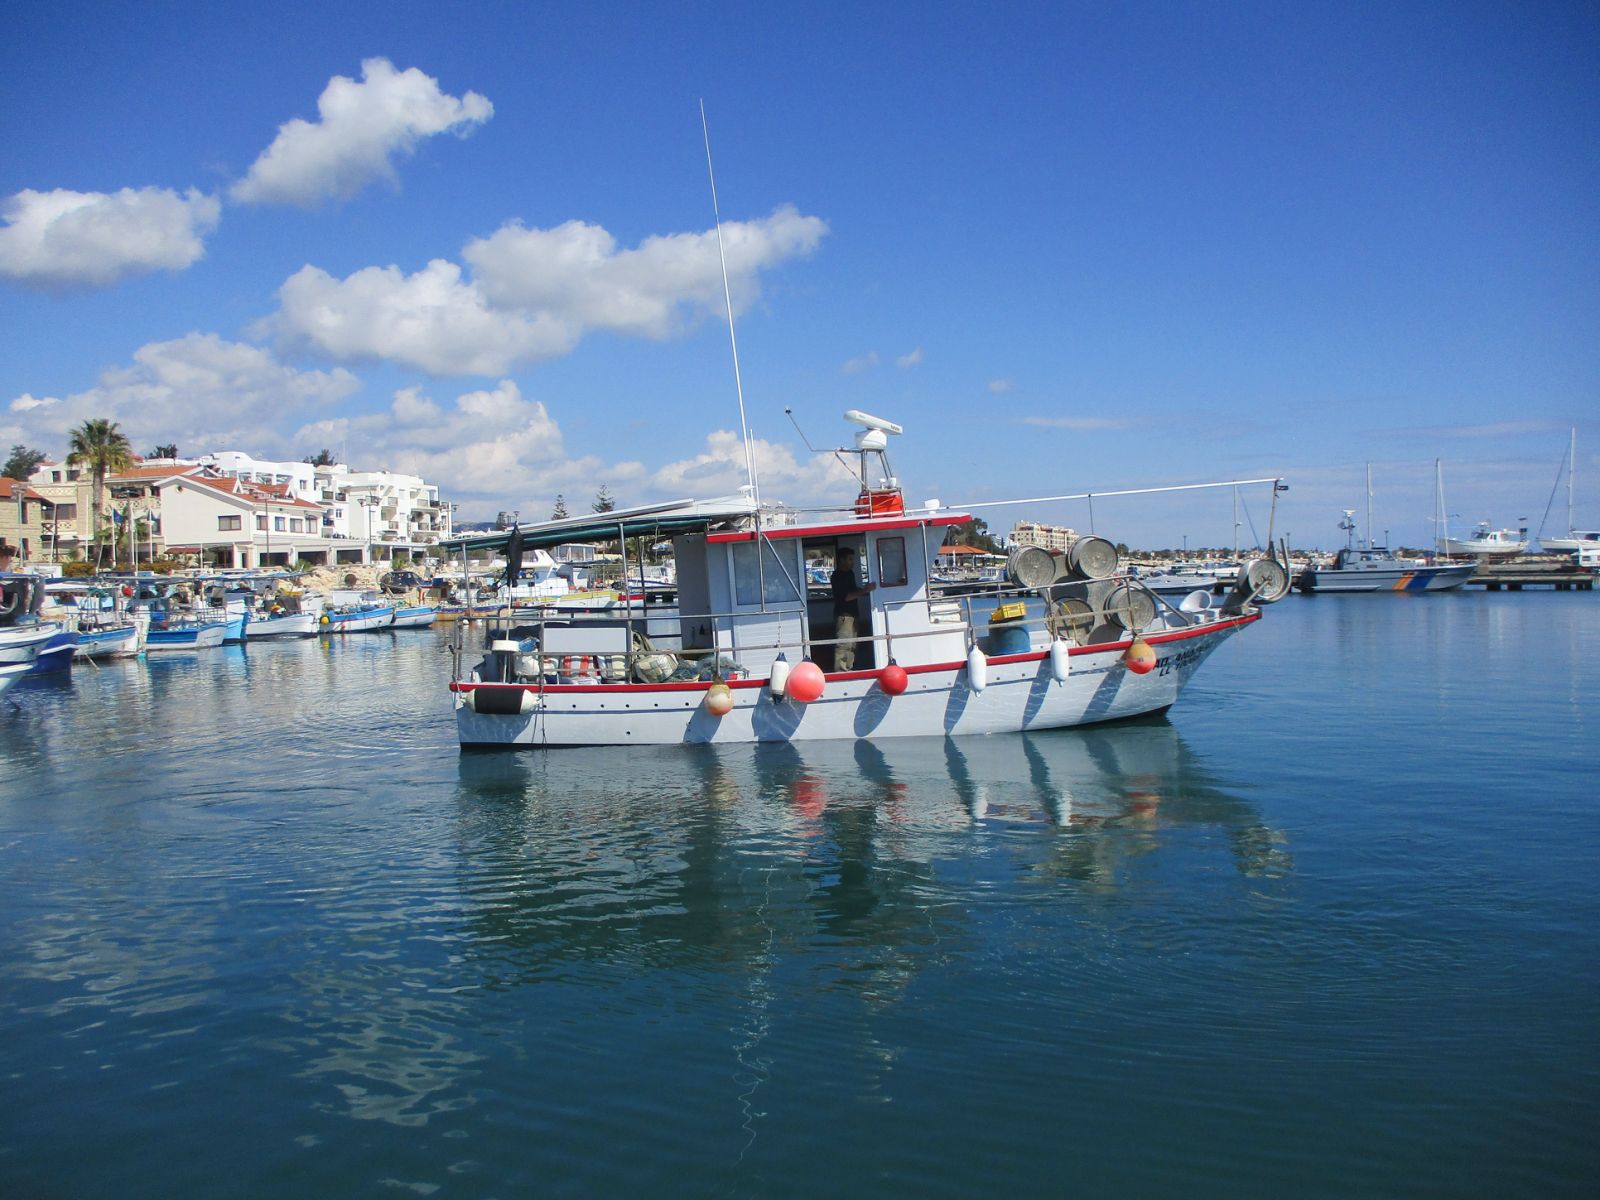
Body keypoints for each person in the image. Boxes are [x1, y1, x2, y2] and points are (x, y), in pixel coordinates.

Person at [830, 547, 875, 671]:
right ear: (841, 560)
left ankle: (849, 669)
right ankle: (840, 672)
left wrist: (864, 590)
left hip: (853, 614)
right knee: (844, 644)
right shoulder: (837, 576)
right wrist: (865, 590)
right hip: (844, 615)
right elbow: (847, 596)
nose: (853, 562)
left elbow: (854, 590)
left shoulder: (850, 573)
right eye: (850, 559)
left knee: (853, 645)